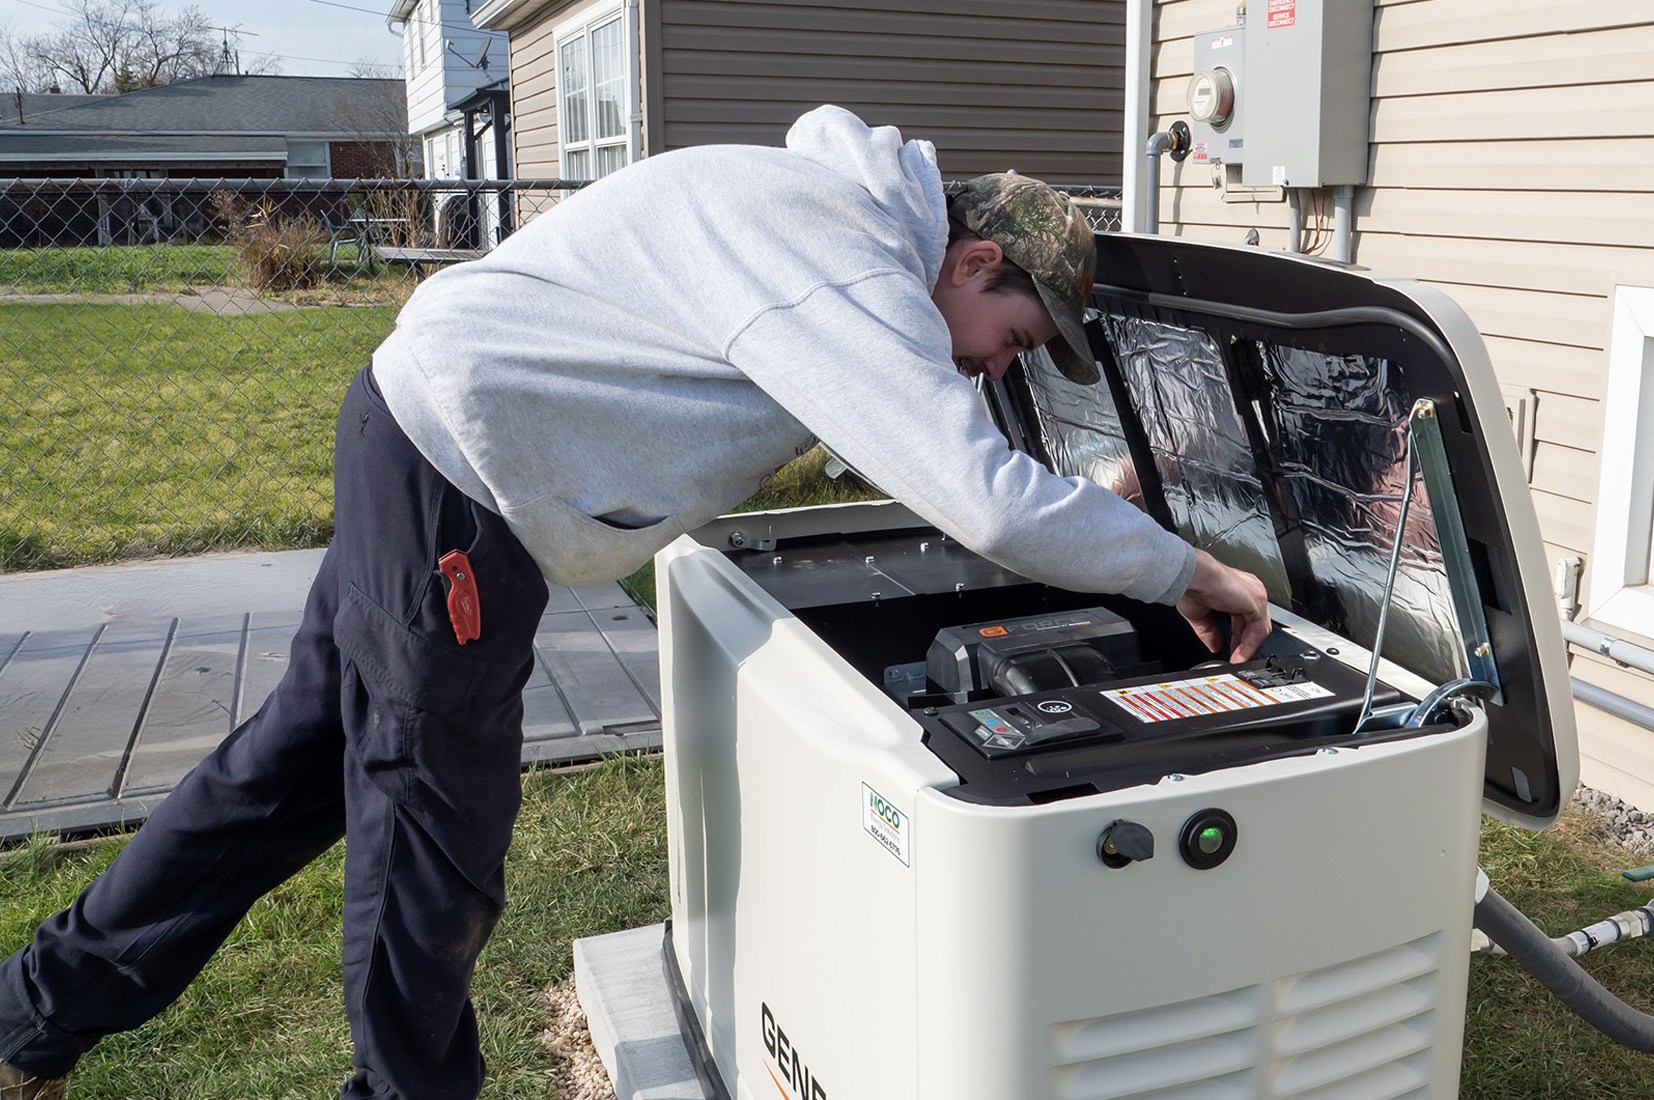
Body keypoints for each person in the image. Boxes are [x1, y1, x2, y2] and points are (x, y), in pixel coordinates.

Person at [0, 105, 1268, 1100]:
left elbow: (897, 443)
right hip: (464, 483)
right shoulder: (844, 262)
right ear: (974, 255)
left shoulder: (830, 230)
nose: (996, 369)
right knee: (429, 823)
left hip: (426, 441)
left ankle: (31, 1018)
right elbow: (980, 500)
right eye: (1010, 337)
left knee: (288, 767)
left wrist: (1100, 500)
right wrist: (1184, 566)